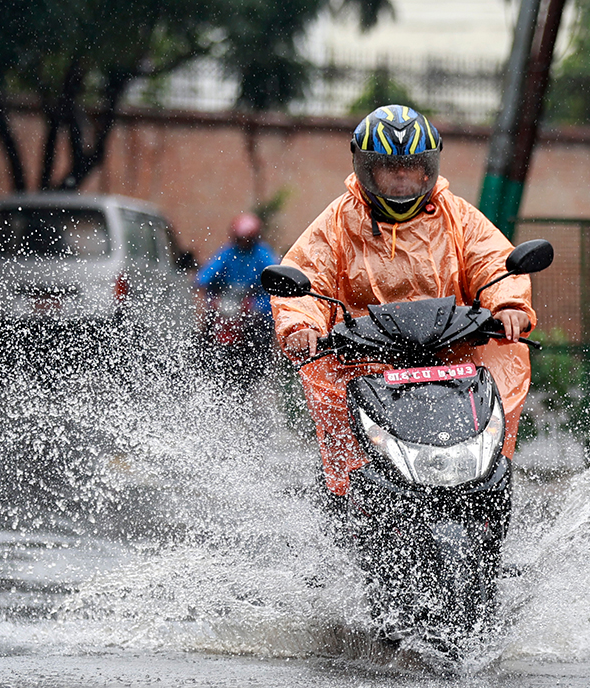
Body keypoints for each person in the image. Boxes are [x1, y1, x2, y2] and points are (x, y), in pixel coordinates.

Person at [272, 104, 536, 499]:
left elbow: (493, 260)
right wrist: (301, 326)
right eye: (388, 168)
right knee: (343, 433)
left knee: (504, 363)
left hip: (454, 365)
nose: (401, 178)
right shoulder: (338, 222)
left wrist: (509, 303)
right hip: (364, 368)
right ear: (366, 169)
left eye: (411, 167)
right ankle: (347, 498)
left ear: (429, 169)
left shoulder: (457, 217)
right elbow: (308, 272)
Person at [195, 212, 281, 372]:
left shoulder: (262, 254)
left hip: (254, 304)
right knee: (207, 326)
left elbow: (274, 276)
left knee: (259, 328)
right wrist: (205, 285)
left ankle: (258, 367)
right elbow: (208, 273)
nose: (243, 243)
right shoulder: (228, 252)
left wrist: (257, 300)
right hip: (229, 302)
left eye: (247, 239)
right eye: (240, 239)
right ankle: (202, 364)